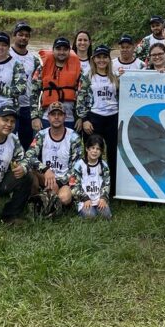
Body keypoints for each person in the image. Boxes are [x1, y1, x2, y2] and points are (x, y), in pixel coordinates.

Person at [25, 101, 83, 216]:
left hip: (64, 179)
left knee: (64, 198)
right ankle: (36, 199)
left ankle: (48, 201)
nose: (56, 117)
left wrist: (59, 182)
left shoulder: (73, 137)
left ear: (65, 117)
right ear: (48, 117)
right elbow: (29, 156)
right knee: (29, 172)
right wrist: (45, 169)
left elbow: (77, 166)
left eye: (60, 114)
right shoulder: (41, 135)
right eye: (53, 114)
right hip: (45, 176)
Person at [77, 45, 120, 193]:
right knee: (92, 153)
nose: (101, 60)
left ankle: (113, 188)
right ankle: (89, 186)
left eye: (104, 57)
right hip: (94, 118)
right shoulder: (87, 76)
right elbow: (80, 99)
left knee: (114, 154)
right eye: (98, 57)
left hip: (113, 117)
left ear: (109, 59)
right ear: (93, 59)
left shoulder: (115, 76)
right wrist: (84, 119)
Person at [9, 20, 43, 151]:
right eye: (20, 34)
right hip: (11, 105)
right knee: (8, 139)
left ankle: (25, 170)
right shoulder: (7, 54)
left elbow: (37, 86)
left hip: (28, 107)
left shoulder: (34, 59)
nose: (23, 37)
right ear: (14, 36)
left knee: (28, 143)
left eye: (26, 35)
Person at [39, 37, 82, 129]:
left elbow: (83, 94)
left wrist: (81, 117)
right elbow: (33, 93)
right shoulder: (42, 68)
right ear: (53, 50)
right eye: (58, 49)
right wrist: (34, 117)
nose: (62, 52)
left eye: (65, 49)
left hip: (69, 118)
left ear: (69, 51)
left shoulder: (78, 70)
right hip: (46, 117)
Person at [71, 134, 112, 220]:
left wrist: (103, 198)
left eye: (98, 149)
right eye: (92, 148)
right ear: (87, 149)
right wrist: (84, 198)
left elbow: (106, 183)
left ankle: (98, 208)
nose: (95, 151)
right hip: (84, 200)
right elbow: (74, 185)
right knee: (90, 216)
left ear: (101, 152)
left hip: (98, 199)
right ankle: (85, 210)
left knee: (106, 215)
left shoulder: (104, 165)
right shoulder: (79, 165)